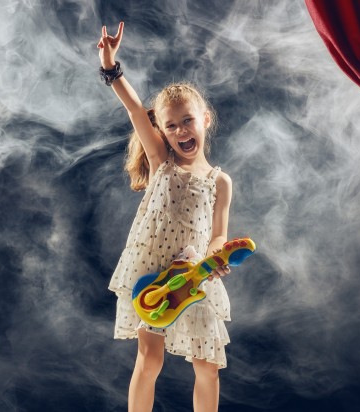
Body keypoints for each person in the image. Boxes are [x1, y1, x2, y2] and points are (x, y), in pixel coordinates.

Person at [99, 22, 234, 412]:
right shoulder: (162, 163)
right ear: (162, 131)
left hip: (194, 275)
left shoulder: (219, 181)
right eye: (170, 125)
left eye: (187, 121)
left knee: (208, 368)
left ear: (205, 119)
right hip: (155, 273)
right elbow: (132, 106)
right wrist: (110, 65)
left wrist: (215, 259)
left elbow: (219, 234)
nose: (180, 131)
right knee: (150, 358)